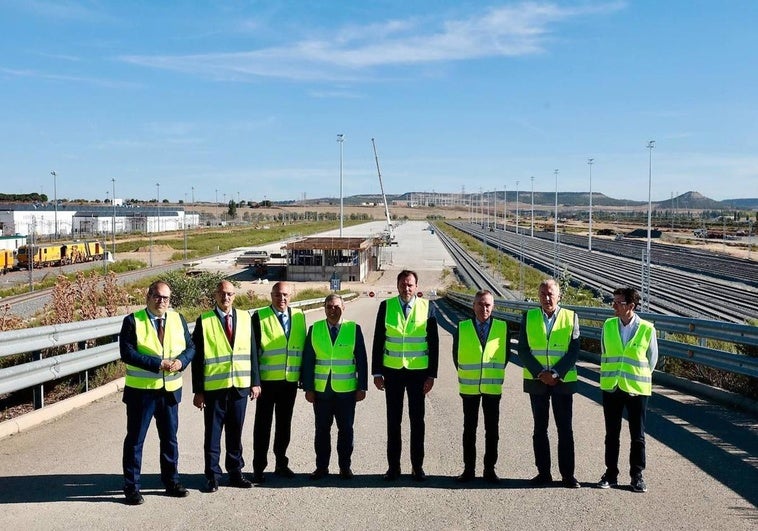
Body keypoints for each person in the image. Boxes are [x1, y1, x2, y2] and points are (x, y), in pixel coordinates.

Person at [119, 280, 195, 505]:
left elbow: (190, 347)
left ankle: (171, 482)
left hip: (169, 391)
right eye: (158, 297)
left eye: (166, 298)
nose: (162, 301)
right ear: (148, 296)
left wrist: (181, 362)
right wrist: (157, 363)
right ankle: (132, 487)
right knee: (135, 441)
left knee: (170, 439)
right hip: (141, 393)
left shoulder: (177, 319)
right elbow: (127, 353)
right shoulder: (133, 321)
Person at [191, 280, 261, 492]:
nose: (226, 297)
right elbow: (197, 358)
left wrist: (255, 382)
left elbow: (252, 351)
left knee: (235, 432)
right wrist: (199, 391)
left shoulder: (244, 317)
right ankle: (212, 475)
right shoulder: (204, 320)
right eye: (222, 293)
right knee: (212, 435)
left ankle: (235, 472)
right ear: (215, 295)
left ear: (234, 296)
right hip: (215, 389)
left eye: (230, 294)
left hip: (239, 386)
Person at [372, 269, 439, 481]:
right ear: (397, 285)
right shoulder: (386, 306)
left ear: (416, 287)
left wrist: (431, 375)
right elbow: (378, 340)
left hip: (418, 374)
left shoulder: (428, 307)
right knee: (394, 422)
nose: (406, 288)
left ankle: (417, 467)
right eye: (403, 284)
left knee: (417, 421)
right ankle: (394, 468)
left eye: (410, 284)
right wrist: (377, 372)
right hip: (392, 373)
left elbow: (434, 345)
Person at [518, 278, 581, 488]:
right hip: (537, 382)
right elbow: (523, 350)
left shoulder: (571, 317)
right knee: (540, 429)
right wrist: (540, 373)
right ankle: (543, 473)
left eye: (550, 294)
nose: (547, 298)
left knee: (565, 429)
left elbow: (573, 350)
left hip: (562, 382)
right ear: (538, 296)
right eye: (543, 294)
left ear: (559, 295)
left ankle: (568, 475)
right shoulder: (529, 317)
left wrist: (555, 373)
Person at [597, 287, 658, 493]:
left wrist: (635, 376)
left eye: (618, 302)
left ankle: (637, 475)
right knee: (611, 433)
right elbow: (605, 352)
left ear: (631, 306)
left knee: (637, 435)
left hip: (636, 388)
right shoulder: (608, 325)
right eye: (613, 301)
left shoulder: (648, 329)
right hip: (612, 386)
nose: (614, 305)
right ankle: (611, 473)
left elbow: (651, 360)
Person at [301, 294, 368, 480]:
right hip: (322, 390)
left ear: (343, 308)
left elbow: (361, 359)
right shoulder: (315, 329)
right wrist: (308, 388)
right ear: (324, 308)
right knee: (322, 430)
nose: (332, 310)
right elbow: (308, 360)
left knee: (346, 429)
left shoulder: (353, 329)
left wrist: (362, 386)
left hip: (346, 391)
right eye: (329, 306)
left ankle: (345, 467)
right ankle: (321, 467)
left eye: (336, 306)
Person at [251, 281, 306, 482]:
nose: (281, 299)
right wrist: (254, 381)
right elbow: (253, 353)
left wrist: (303, 378)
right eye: (277, 295)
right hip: (266, 383)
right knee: (263, 427)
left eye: (285, 295)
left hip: (289, 381)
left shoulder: (299, 316)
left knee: (284, 425)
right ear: (271, 295)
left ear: (291, 296)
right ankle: (259, 468)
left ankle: (281, 463)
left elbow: (304, 349)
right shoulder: (260, 317)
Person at [452, 290, 508, 483]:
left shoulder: (502, 328)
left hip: (492, 388)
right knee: (469, 430)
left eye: (488, 305)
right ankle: (469, 469)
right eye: (480, 304)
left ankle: (489, 469)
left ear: (493, 307)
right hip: (469, 388)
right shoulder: (463, 327)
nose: (484, 309)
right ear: (473, 306)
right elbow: (456, 354)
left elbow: (506, 355)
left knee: (492, 430)